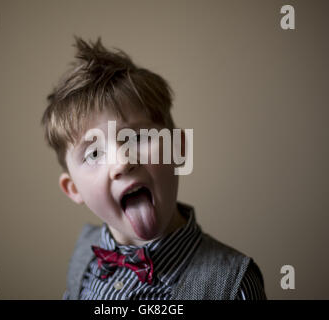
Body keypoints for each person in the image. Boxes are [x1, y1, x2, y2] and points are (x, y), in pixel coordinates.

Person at [41, 37, 266, 300]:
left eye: (137, 138)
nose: (123, 162)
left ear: (179, 148)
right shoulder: (83, 256)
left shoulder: (233, 286)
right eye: (94, 153)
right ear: (73, 189)